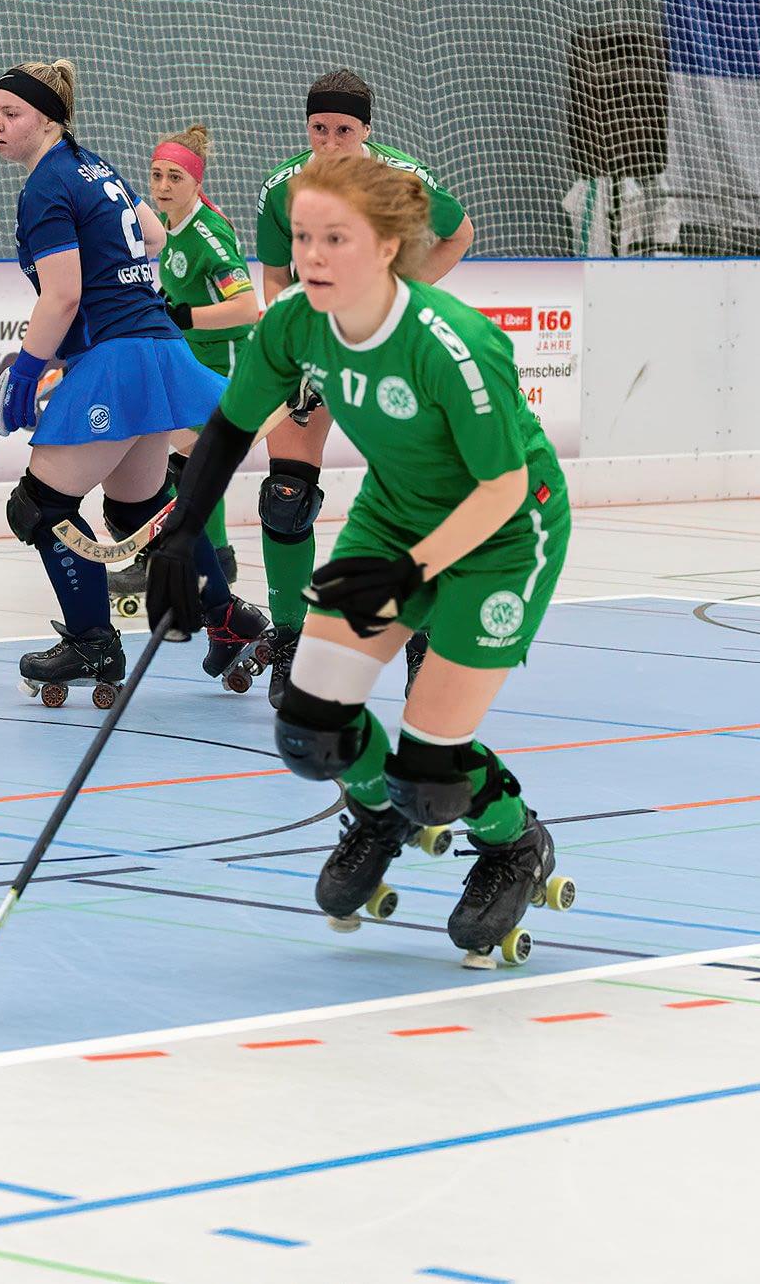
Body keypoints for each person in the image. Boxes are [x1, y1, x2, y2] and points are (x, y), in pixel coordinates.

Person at [143, 153, 575, 968]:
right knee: (311, 731)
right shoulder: (294, 322)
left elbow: (504, 487)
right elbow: (232, 426)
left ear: (386, 247)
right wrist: (180, 532)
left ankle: (515, 841)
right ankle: (378, 817)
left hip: (506, 534)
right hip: (397, 512)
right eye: (302, 237)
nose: (310, 256)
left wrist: (413, 574)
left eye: (334, 238)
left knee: (433, 774)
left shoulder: (453, 343)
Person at [0, 60, 257, 704]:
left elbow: (62, 295)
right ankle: (225, 617)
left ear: (47, 120)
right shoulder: (96, 168)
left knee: (41, 507)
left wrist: (26, 372)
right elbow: (154, 235)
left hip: (119, 358)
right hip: (153, 347)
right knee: (139, 508)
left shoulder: (46, 187)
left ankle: (92, 642)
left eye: (11, 113)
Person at [251, 69, 475, 704]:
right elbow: (275, 277)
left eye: (343, 131)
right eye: (318, 129)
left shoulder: (402, 180)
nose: (329, 143)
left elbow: (459, 233)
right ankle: (290, 643)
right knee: (286, 497)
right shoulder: (282, 189)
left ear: (366, 130)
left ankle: (424, 641)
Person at [134, 122, 269, 684]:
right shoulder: (166, 226)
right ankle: (220, 600)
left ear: (196, 182)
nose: (163, 186)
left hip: (226, 366)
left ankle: (213, 585)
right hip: (191, 362)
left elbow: (247, 307)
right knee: (179, 472)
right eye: (157, 176)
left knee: (179, 472)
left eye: (175, 177)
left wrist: (182, 316)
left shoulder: (209, 236)